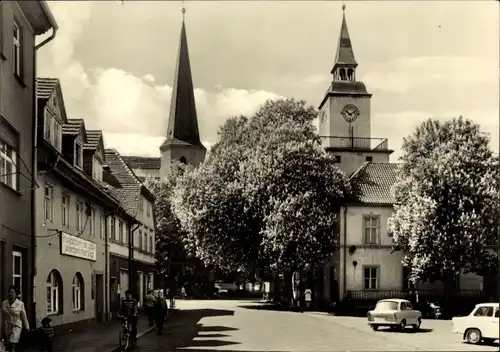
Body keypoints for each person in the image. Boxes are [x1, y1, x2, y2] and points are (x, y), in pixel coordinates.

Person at [1, 286, 30, 352]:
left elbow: (23, 316)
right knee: (6, 345)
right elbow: (2, 316)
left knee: (12, 343)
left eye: (12, 292)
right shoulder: (4, 303)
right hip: (6, 326)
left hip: (16, 326)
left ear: (16, 294)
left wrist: (27, 327)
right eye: (9, 292)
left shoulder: (20, 304)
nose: (10, 294)